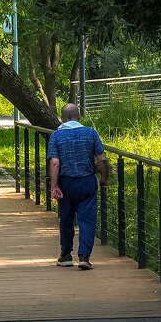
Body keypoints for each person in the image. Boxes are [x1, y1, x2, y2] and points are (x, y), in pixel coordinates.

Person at [48, 103, 110, 270]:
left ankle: (66, 254)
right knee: (87, 220)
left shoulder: (56, 136)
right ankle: (84, 256)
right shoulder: (90, 133)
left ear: (61, 118)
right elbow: (102, 159)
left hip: (66, 182)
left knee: (66, 218)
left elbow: (55, 163)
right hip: (87, 181)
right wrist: (104, 178)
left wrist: (54, 186)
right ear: (79, 117)